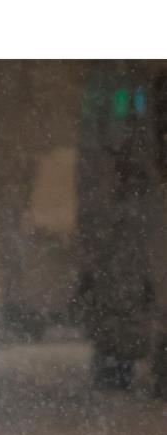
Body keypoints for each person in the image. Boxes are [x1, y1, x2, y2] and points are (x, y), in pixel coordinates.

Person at [75, 61, 164, 391]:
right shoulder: (125, 88)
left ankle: (119, 361)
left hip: (126, 216)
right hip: (124, 215)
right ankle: (119, 361)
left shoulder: (128, 87)